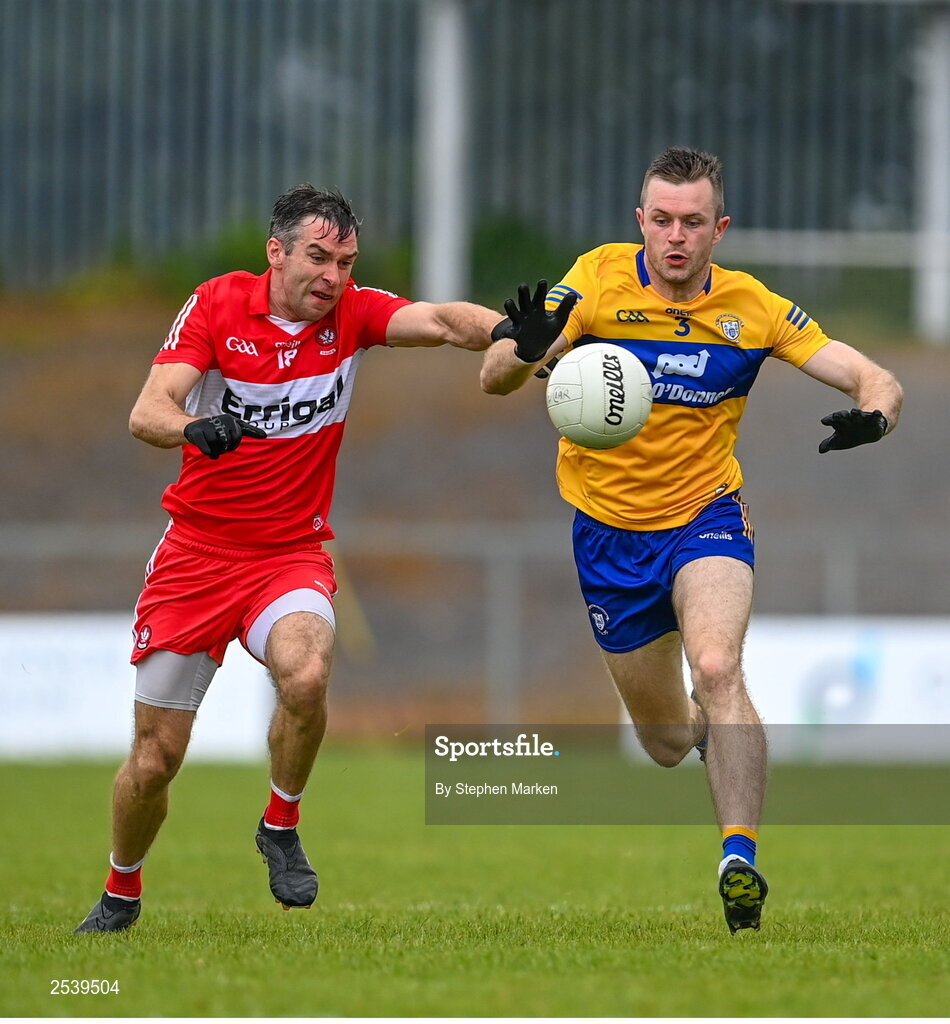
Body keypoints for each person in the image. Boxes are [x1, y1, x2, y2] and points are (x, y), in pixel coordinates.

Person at [75, 184, 559, 932]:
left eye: (346, 261)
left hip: (288, 554)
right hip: (197, 556)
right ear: (277, 253)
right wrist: (191, 430)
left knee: (307, 667)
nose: (334, 276)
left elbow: (436, 319)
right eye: (319, 257)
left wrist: (508, 329)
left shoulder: (352, 315)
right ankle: (121, 891)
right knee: (154, 759)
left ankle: (279, 824)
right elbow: (148, 411)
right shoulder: (216, 305)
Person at [481, 147, 903, 933]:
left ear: (720, 228)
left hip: (706, 516)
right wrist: (528, 344)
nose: (676, 236)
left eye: (694, 222)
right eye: (662, 220)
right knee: (669, 740)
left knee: (717, 664)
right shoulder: (598, 282)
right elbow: (493, 376)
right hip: (607, 535)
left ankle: (738, 859)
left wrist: (876, 415)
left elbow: (875, 377)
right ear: (641, 221)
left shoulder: (755, 309)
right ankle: (710, 738)